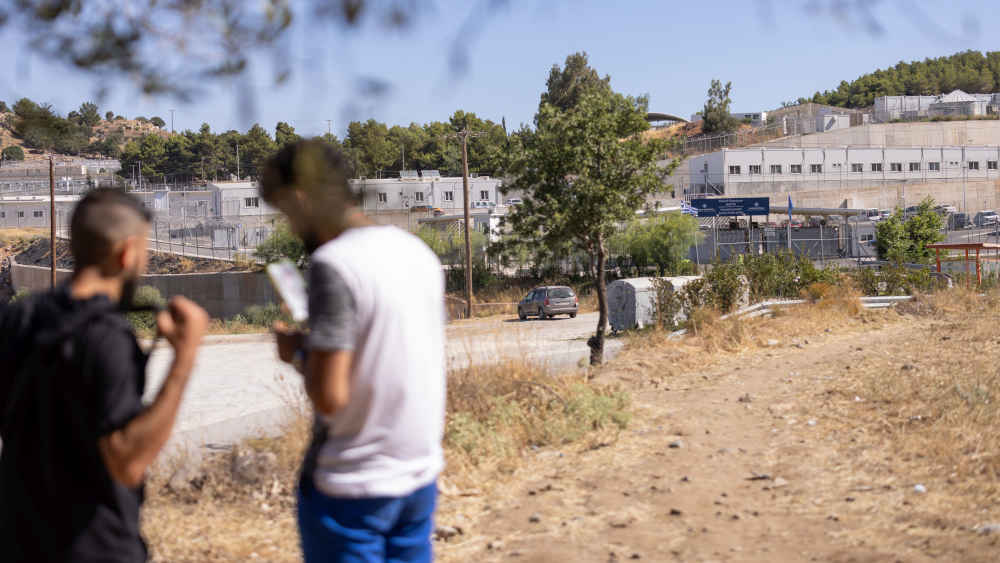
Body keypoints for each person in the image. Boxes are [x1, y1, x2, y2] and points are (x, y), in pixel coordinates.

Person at [260, 140, 446, 563]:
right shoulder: (416, 251)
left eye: (287, 214)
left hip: (352, 486)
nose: (291, 228)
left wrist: (297, 352)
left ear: (301, 200)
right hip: (418, 476)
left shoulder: (333, 264)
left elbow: (330, 395)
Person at [0, 188, 208, 562]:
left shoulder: (20, 317)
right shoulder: (108, 338)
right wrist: (184, 360)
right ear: (126, 253)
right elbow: (126, 462)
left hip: (19, 543)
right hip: (95, 548)